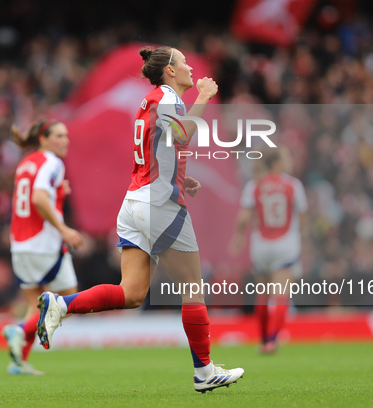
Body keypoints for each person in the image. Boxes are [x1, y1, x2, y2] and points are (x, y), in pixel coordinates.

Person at [36, 46, 244, 393]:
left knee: (131, 293)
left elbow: (156, 152)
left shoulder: (148, 101)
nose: (191, 68)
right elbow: (182, 135)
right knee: (193, 288)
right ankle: (205, 372)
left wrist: (180, 177)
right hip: (160, 206)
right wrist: (204, 96)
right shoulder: (168, 99)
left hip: (135, 202)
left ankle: (60, 305)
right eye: (184, 63)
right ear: (170, 72)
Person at [1, 119, 83, 375]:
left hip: (20, 245)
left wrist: (59, 192)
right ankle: (20, 330)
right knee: (70, 300)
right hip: (45, 245)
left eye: (66, 135)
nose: (65, 140)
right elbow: (38, 198)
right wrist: (64, 229)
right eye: (58, 135)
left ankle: (18, 362)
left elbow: (31, 196)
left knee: (34, 304)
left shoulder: (26, 163)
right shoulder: (52, 162)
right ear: (44, 139)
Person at [230, 147, 308, 354]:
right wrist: (303, 242)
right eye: (287, 157)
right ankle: (272, 340)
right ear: (276, 163)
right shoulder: (293, 185)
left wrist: (237, 238)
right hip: (286, 245)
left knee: (263, 294)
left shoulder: (254, 185)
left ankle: (264, 339)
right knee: (281, 294)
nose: (290, 161)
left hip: (261, 246)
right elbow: (301, 220)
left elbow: (244, 217)